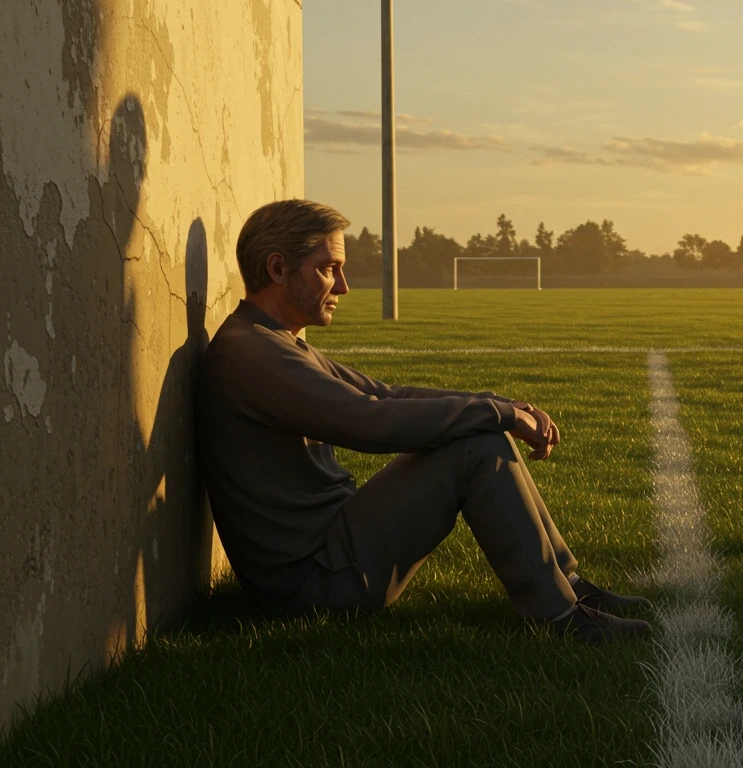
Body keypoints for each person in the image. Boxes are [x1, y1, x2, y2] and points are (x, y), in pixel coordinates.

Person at [196, 199, 651, 642]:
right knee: (476, 444)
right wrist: (498, 414)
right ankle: (560, 617)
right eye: (329, 268)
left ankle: (567, 587)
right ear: (278, 269)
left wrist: (504, 405)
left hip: (330, 554)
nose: (343, 286)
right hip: (312, 583)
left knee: (480, 430)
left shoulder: (274, 342)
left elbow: (383, 394)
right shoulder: (252, 353)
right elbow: (369, 421)